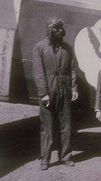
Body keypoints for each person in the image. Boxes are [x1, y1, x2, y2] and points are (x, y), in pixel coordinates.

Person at [32, 17, 78, 170]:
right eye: (56, 28)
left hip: (64, 89)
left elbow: (72, 70)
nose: (59, 31)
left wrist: (73, 88)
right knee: (47, 126)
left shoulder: (67, 48)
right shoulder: (39, 47)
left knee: (66, 124)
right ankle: (45, 159)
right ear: (49, 29)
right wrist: (43, 93)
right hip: (48, 90)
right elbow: (38, 72)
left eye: (61, 28)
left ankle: (66, 156)